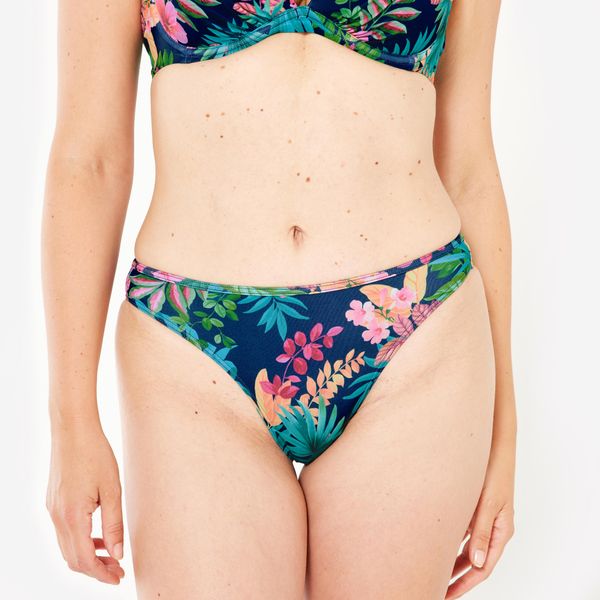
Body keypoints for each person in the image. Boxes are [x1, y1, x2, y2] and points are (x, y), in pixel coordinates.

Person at [42, 0, 516, 597]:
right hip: (191, 346)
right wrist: (71, 422)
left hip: (415, 334)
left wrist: (505, 431)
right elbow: (89, 161)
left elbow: (469, 165)